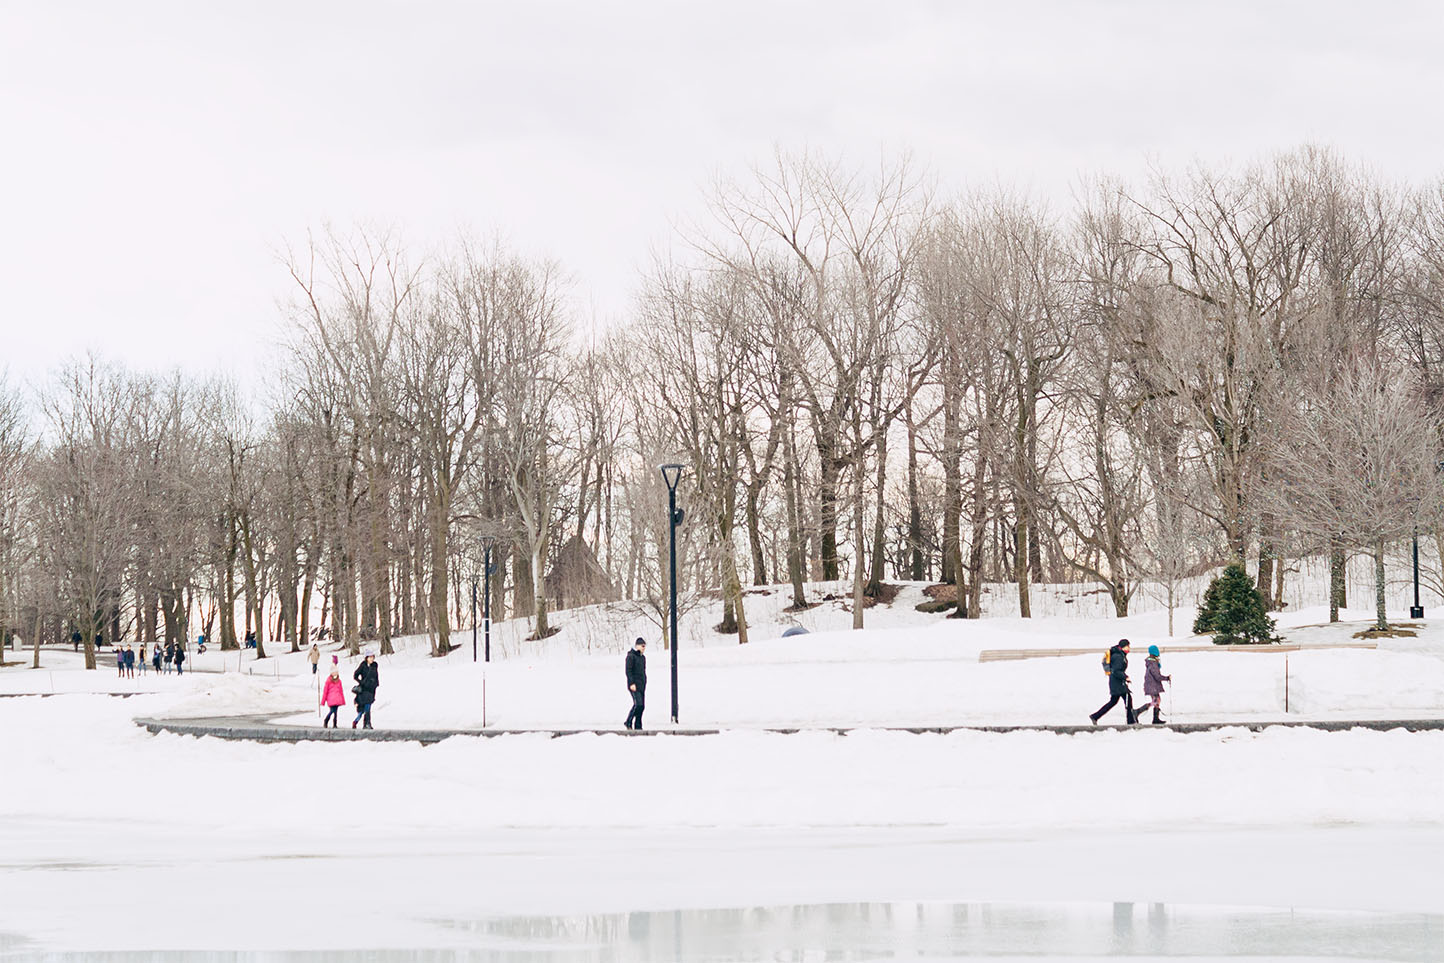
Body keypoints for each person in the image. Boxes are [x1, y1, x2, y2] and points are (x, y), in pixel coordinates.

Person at [1089, 638, 1137, 725]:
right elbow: (1116, 671)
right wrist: (1125, 677)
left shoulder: (1119, 654)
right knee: (1127, 699)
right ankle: (1131, 722)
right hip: (1117, 683)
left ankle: (1095, 716)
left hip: (1117, 682)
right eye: (1127, 646)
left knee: (1114, 701)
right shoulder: (1118, 656)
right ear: (1122, 647)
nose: (1129, 648)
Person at [1143, 644, 1172, 725]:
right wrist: (1166, 678)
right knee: (1156, 701)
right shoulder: (1153, 663)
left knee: (1157, 700)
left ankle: (1156, 718)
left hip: (1152, 685)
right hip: (1152, 685)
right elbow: (1157, 676)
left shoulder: (1152, 662)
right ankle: (1139, 711)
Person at [624, 638, 647, 731]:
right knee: (638, 704)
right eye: (642, 646)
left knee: (642, 706)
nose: (644, 648)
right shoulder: (631, 656)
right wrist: (631, 683)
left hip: (641, 684)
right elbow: (628, 671)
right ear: (637, 645)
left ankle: (638, 725)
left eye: (645, 646)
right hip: (634, 685)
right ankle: (628, 721)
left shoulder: (642, 657)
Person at [352, 652, 379, 729]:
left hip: (372, 689)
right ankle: (367, 723)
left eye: (372, 657)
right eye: (370, 657)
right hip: (364, 689)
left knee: (368, 706)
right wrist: (362, 682)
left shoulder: (375, 666)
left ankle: (365, 723)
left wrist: (376, 684)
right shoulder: (363, 665)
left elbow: (376, 676)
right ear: (366, 658)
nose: (371, 659)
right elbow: (355, 675)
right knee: (367, 706)